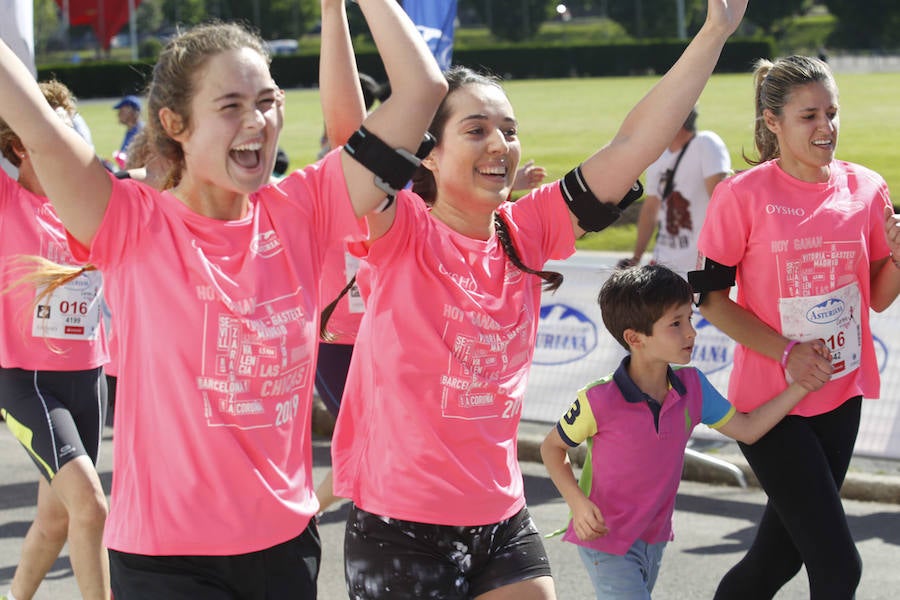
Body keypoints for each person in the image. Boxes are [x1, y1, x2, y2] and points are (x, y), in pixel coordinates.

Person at [0, 0, 447, 596]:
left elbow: (423, 87)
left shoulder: (307, 210)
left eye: (266, 101)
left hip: (285, 548)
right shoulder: (129, 220)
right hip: (168, 561)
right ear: (175, 124)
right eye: (231, 106)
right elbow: (27, 113)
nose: (257, 120)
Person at [329, 1, 749, 597]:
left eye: (509, 130)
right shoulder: (403, 231)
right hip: (403, 525)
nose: (500, 144)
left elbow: (635, 141)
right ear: (429, 153)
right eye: (476, 130)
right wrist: (335, 10)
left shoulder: (526, 231)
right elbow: (353, 140)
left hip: (501, 519)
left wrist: (714, 32)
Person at [691, 55, 900, 599]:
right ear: (772, 121)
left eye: (832, 113)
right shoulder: (741, 196)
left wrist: (899, 260)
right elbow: (712, 301)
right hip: (771, 407)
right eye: (809, 116)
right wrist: (788, 352)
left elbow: (877, 297)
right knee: (838, 567)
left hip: (840, 395)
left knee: (773, 561)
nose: (826, 128)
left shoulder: (867, 188)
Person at [540, 264, 823, 600]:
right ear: (635, 338)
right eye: (676, 323)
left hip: (654, 538)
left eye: (689, 319)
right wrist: (578, 503)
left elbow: (747, 430)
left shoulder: (694, 388)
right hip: (605, 541)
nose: (691, 332)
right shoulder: (598, 400)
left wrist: (803, 385)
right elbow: (551, 448)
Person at [0, 80, 110, 600]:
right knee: (90, 504)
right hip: (26, 382)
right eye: (58, 133)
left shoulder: (91, 204)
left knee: (57, 520)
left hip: (89, 377)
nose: (71, 145)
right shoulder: (6, 201)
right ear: (22, 143)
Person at [617, 106, 730, 277]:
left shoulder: (706, 144)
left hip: (696, 266)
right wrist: (636, 257)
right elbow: (650, 210)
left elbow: (720, 203)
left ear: (674, 122)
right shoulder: (658, 157)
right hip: (663, 264)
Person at [111, 94, 143, 170]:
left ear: (131, 111)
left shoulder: (141, 133)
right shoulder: (130, 131)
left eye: (122, 110)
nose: (118, 114)